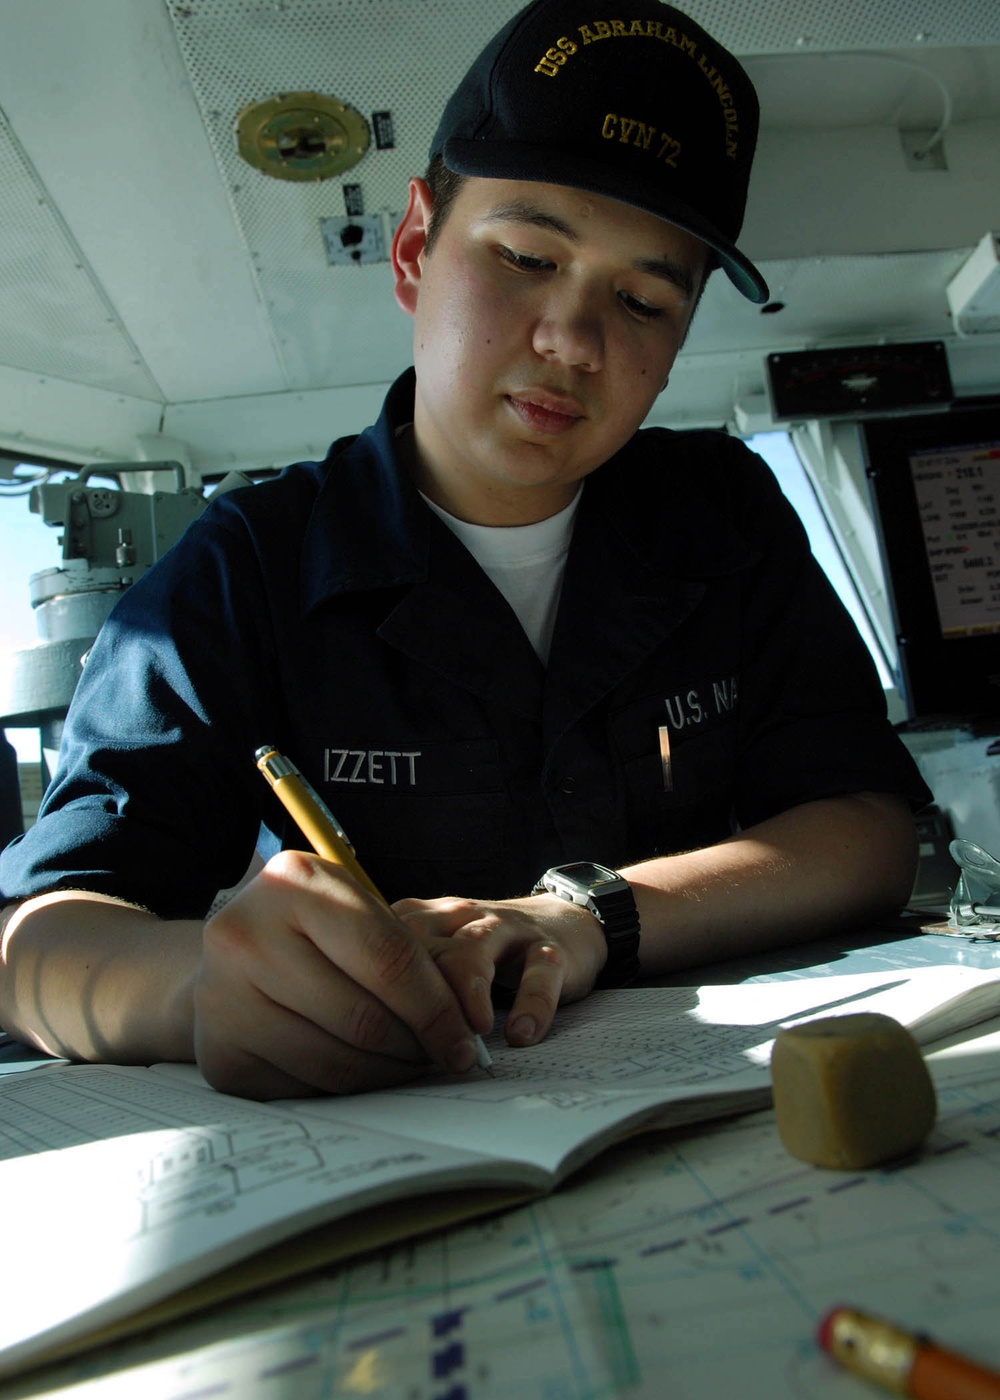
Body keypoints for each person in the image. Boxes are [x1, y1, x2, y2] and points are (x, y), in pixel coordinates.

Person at [0, 0, 930, 1100]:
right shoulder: (248, 564)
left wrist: (586, 915)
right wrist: (199, 983)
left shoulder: (723, 513)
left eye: (641, 299)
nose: (572, 342)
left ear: (677, 345)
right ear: (411, 251)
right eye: (527, 255)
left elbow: (868, 825)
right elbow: (41, 940)